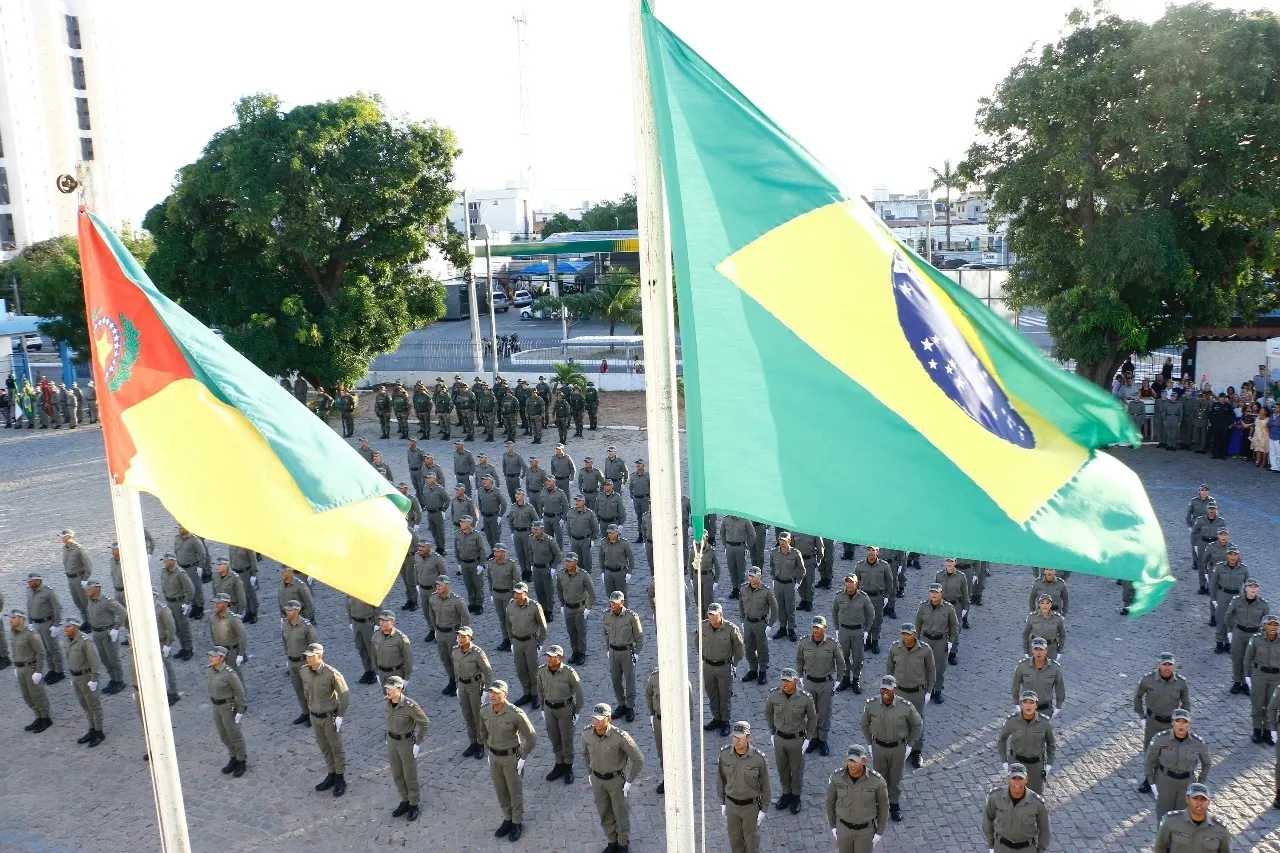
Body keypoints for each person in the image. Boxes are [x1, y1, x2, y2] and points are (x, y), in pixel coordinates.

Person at [479, 679, 537, 843]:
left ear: (505, 694)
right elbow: (482, 732)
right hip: (494, 757)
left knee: (514, 791)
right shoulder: (484, 711)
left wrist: (523, 758)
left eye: (497, 693)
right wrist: (488, 750)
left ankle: (517, 822)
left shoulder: (515, 714)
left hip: (512, 758)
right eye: (491, 692)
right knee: (501, 790)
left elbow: (531, 737)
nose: (493, 695)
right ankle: (507, 818)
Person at [582, 701, 644, 853]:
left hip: (616, 781)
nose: (596, 722)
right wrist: (590, 773)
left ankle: (623, 844)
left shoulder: (620, 737)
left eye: (600, 719)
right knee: (604, 812)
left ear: (609, 719)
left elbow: (638, 759)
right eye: (594, 718)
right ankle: (612, 841)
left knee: (620, 813)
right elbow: (584, 754)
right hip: (597, 781)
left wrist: (629, 782)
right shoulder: (586, 734)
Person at [860, 674, 921, 823]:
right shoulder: (871, 705)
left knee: (895, 778)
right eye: (882, 689)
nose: (885, 692)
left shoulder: (905, 706)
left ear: (895, 690)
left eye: (888, 689)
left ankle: (894, 804)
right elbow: (864, 724)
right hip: (879, 747)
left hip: (898, 748)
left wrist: (910, 745)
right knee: (879, 778)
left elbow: (917, 725)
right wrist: (869, 743)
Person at [1133, 652, 1192, 793]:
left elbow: (1186, 703)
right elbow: (1138, 697)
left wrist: (1183, 723)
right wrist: (1142, 717)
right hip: (1153, 722)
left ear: (1174, 666)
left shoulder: (1181, 683)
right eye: (1164, 664)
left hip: (1171, 723)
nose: (1167, 668)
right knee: (1150, 752)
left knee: (1169, 752)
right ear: (1158, 665)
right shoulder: (1148, 680)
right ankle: (1149, 779)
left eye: (1170, 665)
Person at [764, 667, 817, 814]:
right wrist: (772, 731)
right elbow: (768, 712)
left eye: (788, 681)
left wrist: (808, 738)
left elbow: (813, 718)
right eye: (783, 681)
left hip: (797, 739)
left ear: (795, 681)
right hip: (780, 738)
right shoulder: (774, 695)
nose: (785, 684)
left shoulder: (805, 698)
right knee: (782, 768)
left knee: (797, 769)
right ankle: (786, 794)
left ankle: (796, 796)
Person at [300, 642, 350, 797]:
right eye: (307, 656)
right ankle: (331, 773)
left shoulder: (331, 674)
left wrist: (340, 716)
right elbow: (307, 693)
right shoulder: (304, 672)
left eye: (311, 656)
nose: (308, 658)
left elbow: (345, 696)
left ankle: (340, 777)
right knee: (324, 747)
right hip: (315, 717)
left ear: (320, 656)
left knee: (336, 748)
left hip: (329, 717)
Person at [1144, 709, 1211, 821]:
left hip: (1187, 783)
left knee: (1182, 819)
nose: (1181, 725)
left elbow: (1207, 763)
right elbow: (1149, 761)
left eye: (1185, 722)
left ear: (1189, 725)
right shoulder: (1160, 739)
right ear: (1172, 722)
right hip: (1165, 781)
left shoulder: (1198, 743)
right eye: (1178, 721)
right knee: (1163, 818)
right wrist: (1152, 783)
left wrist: (1199, 784)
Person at [717, 720, 770, 853]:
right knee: (735, 843)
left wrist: (763, 809)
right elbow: (721, 779)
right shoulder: (724, 755)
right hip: (731, 806)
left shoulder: (758, 759)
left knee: (751, 844)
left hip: (750, 808)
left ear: (749, 737)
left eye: (740, 737)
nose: (737, 741)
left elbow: (765, 785)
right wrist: (723, 802)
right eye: (735, 737)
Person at [825, 743, 889, 853]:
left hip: (865, 832)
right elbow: (830, 802)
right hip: (843, 829)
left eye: (855, 761)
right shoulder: (836, 777)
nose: (852, 764)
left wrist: (880, 831)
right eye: (850, 760)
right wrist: (833, 826)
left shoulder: (877, 781)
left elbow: (884, 807)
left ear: (863, 761)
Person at [796, 614, 845, 756]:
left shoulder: (832, 644)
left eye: (819, 628)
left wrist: (838, 681)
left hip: (825, 684)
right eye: (814, 628)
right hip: (809, 682)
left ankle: (823, 740)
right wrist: (800, 676)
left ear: (825, 628)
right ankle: (814, 738)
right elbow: (799, 660)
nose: (816, 631)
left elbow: (841, 663)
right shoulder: (804, 643)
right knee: (811, 712)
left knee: (824, 713)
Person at [383, 675, 429, 821]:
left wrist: (418, 743)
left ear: (399, 688)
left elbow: (425, 723)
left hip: (406, 743)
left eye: (390, 689)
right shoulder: (388, 703)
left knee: (409, 775)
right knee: (397, 773)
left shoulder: (410, 706)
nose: (387, 691)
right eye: (386, 688)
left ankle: (414, 803)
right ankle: (405, 800)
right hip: (392, 741)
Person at [536, 644, 585, 784]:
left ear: (560, 658)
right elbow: (540, 690)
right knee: (554, 737)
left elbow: (580, 693)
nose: (549, 659)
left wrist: (577, 712)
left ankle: (568, 766)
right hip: (549, 709)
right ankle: (559, 763)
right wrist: (542, 708)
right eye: (548, 656)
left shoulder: (569, 672)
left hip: (565, 709)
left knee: (566, 739)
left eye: (553, 657)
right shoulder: (541, 672)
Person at [700, 602, 746, 737]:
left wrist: (735, 664)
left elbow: (739, 648)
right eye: (709, 615)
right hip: (708, 666)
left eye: (714, 615)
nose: (711, 618)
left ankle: (725, 721)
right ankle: (716, 718)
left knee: (724, 695)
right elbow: (698, 643)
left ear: (721, 615)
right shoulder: (703, 627)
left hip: (724, 667)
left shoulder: (731, 629)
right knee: (712, 693)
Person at [997, 691, 1056, 795]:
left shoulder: (1045, 723)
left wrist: (1049, 764)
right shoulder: (1012, 721)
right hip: (1017, 763)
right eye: (1025, 702)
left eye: (1031, 702)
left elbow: (1051, 744)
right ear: (1021, 704)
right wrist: (1004, 762)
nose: (1028, 705)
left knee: (1034, 795)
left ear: (1036, 705)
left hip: (1036, 766)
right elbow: (1002, 739)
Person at [983, 763, 1051, 853]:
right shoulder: (995, 797)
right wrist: (991, 845)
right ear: (1008, 779)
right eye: (1014, 778)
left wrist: (1041, 850)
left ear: (1026, 780)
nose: (1017, 782)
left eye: (1020, 778)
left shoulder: (1037, 803)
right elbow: (987, 819)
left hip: (1026, 849)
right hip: (1001, 848)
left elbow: (1045, 829)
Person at [63, 619, 105, 746]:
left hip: (86, 677)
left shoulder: (86, 641)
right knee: (85, 705)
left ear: (75, 627)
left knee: (94, 705)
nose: (65, 629)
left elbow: (94, 662)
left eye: (68, 626)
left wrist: (94, 680)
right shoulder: (66, 640)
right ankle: (91, 729)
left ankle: (99, 732)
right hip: (76, 677)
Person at [207, 645, 248, 777]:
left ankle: (241, 760)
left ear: (221, 657)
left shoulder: (229, 673)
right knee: (223, 735)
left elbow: (240, 692)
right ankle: (233, 756)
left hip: (227, 707)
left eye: (213, 656)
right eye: (210, 655)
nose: (211, 658)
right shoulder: (211, 670)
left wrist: (240, 711)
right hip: (216, 707)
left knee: (234, 735)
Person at [1154, 783, 1231, 851]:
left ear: (1208, 803)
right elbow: (1159, 847)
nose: (1199, 803)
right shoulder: (1171, 821)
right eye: (1195, 798)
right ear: (1187, 799)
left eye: (1203, 799)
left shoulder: (1220, 829)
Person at [604, 591, 644, 721]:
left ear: (622, 603)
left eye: (615, 603)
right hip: (613, 652)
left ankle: (630, 706)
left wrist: (636, 653)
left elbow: (639, 637)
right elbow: (605, 633)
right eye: (611, 602)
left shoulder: (631, 616)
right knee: (615, 680)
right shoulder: (606, 615)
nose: (612, 605)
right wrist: (607, 649)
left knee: (629, 680)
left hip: (627, 651)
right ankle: (621, 704)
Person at [10, 609, 52, 732]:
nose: (10, 620)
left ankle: (45, 718)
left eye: (13, 618)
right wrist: (16, 666)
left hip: (31, 668)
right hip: (20, 668)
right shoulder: (13, 632)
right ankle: (38, 717)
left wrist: (38, 671)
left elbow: (40, 652)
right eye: (10, 618)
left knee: (37, 694)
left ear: (21, 619)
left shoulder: (30, 633)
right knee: (27, 695)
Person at [915, 584, 958, 701]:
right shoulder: (923, 606)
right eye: (931, 592)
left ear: (941, 594)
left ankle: (937, 691)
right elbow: (918, 623)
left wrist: (951, 641)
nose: (934, 594)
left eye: (936, 592)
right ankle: (924, 690)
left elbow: (954, 626)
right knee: (923, 666)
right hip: (926, 640)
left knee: (939, 668)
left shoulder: (948, 608)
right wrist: (916, 639)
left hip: (940, 641)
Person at [1226, 579, 1270, 693]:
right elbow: (1228, 616)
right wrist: (1230, 632)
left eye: (1255, 587)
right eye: (1250, 587)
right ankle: (1236, 682)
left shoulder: (1263, 604)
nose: (1253, 589)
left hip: (1254, 635)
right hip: (1239, 633)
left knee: (1250, 660)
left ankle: (1246, 683)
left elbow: (1267, 623)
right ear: (1245, 588)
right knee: (1237, 657)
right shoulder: (1236, 601)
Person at [83, 581, 127, 693]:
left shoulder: (107, 601)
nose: (86, 591)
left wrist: (116, 628)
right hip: (96, 633)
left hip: (107, 633)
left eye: (89, 589)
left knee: (113, 659)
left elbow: (122, 612)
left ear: (97, 589)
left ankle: (119, 681)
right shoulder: (90, 600)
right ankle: (113, 679)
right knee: (104, 659)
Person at [281, 600, 318, 725]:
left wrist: (312, 664)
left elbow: (313, 646)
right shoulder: (285, 625)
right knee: (298, 689)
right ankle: (305, 712)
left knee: (309, 690)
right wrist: (288, 657)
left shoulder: (306, 626)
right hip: (292, 662)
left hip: (304, 662)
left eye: (290, 610)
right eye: (286, 610)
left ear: (297, 610)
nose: (287, 612)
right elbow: (284, 642)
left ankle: (313, 714)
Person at [740, 566, 778, 685]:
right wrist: (742, 620)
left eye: (754, 576)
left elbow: (775, 608)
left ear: (759, 577)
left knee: (762, 648)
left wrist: (770, 625)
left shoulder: (766, 591)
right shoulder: (743, 589)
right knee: (749, 647)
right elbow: (740, 605)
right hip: (747, 623)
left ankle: (762, 671)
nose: (752, 579)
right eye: (750, 576)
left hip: (760, 623)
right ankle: (752, 669)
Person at [1245, 614, 1280, 744]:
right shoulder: (1256, 639)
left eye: (1275, 625)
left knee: (1272, 705)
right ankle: (1257, 730)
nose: (1272, 627)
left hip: (1276, 677)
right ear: (1264, 626)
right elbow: (1248, 658)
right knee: (1258, 704)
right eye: (1270, 624)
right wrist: (1247, 676)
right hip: (1259, 675)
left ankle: (1268, 731)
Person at [25, 572, 65, 681]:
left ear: (38, 581)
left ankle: (59, 671)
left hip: (47, 624)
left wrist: (56, 624)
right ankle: (52, 669)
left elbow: (57, 608)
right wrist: (30, 622)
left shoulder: (48, 592)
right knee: (43, 648)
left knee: (53, 648)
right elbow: (29, 607)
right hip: (36, 624)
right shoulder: (29, 591)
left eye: (31, 581)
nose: (28, 583)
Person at [1011, 638, 1065, 718]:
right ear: (1032, 650)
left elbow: (1059, 688)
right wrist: (1017, 705)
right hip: (1026, 710)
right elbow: (1015, 686)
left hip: (1045, 710)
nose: (1038, 652)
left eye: (1041, 649)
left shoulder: (1055, 668)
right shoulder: (1022, 666)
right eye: (1036, 649)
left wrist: (1058, 706)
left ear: (1046, 650)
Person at [60, 528, 93, 627]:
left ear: (70, 537)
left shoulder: (78, 549)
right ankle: (85, 620)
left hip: (79, 578)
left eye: (64, 537)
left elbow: (88, 565)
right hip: (70, 578)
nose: (62, 539)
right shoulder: (64, 549)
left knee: (85, 601)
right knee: (77, 601)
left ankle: (91, 622)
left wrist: (85, 579)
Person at [1023, 595, 1067, 661]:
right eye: (1042, 603)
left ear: (1051, 605)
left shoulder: (1058, 619)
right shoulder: (1032, 617)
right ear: (1039, 604)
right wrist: (1025, 651)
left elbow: (1062, 635)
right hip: (1035, 649)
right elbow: (1025, 634)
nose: (1045, 605)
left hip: (1051, 649)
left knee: (1050, 670)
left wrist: (1059, 651)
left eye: (1047, 603)